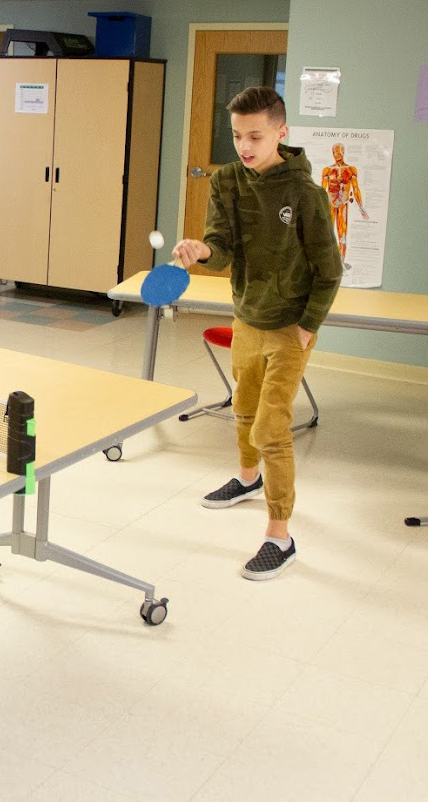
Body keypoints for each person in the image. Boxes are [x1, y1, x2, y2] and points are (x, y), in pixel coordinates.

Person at [172, 87, 341, 580]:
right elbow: (222, 248)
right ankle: (248, 479)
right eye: (237, 135)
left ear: (281, 134)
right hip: (247, 314)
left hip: (291, 326)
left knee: (271, 427)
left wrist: (308, 325)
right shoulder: (226, 181)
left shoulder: (306, 195)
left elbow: (329, 270)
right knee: (243, 409)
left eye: (256, 136)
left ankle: (280, 536)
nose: (244, 146)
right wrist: (202, 251)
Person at [321, 142, 368, 266]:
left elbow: (356, 189)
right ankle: (328, 265)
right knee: (327, 234)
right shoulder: (327, 170)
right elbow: (322, 191)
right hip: (330, 204)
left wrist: (361, 207)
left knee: (342, 234)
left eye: (339, 151)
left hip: (343, 204)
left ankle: (341, 264)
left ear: (344, 152)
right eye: (335, 152)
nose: (337, 154)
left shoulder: (350, 170)